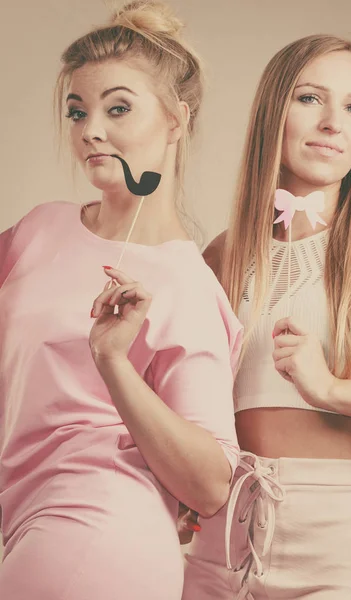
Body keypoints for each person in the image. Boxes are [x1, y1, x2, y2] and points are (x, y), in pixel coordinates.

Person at [182, 34, 351, 599]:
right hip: (220, 540)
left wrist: (333, 390)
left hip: (339, 545)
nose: (334, 122)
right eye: (310, 98)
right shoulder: (220, 257)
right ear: (271, 111)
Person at [0, 2, 242, 599]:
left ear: (176, 121)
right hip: (20, 521)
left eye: (118, 108)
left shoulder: (184, 282)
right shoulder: (39, 229)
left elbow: (211, 484)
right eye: (78, 112)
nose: (90, 131)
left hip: (95, 526)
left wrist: (113, 362)